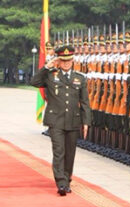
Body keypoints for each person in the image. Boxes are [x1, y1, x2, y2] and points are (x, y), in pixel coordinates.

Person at [30, 45, 92, 196]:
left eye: (68, 60)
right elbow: (34, 82)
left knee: (70, 152)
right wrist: (46, 67)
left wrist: (86, 122)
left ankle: (67, 178)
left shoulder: (79, 78)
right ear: (58, 60)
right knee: (59, 151)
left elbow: (85, 102)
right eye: (63, 60)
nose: (66, 63)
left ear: (72, 60)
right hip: (55, 120)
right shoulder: (51, 75)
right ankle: (61, 183)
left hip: (73, 120)